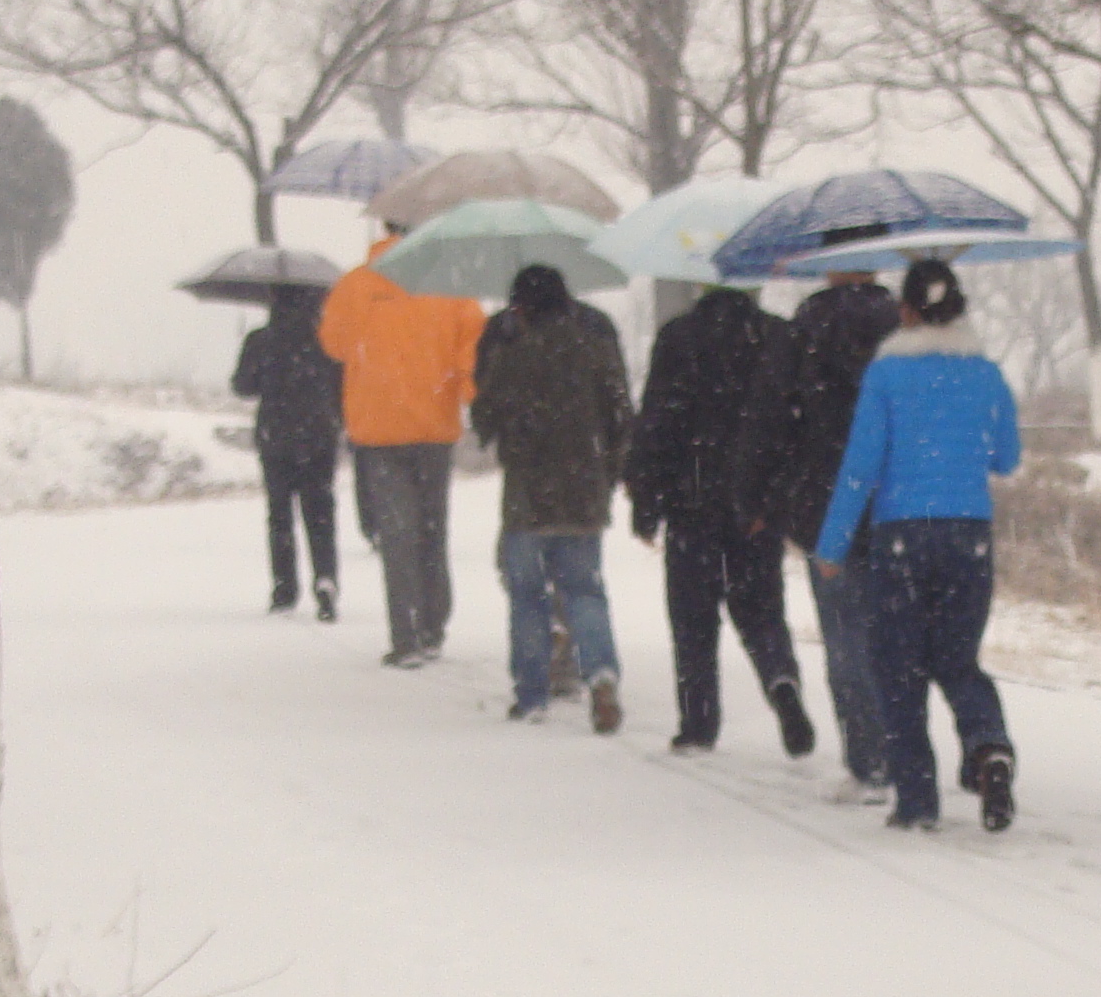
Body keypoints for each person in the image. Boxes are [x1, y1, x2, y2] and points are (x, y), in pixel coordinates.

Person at [813, 260, 1021, 832]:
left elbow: (861, 467)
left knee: (897, 667)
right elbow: (1007, 457)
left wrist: (831, 546)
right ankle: (988, 747)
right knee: (957, 660)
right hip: (968, 534)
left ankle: (917, 801)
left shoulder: (885, 377)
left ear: (904, 313)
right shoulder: (987, 375)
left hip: (901, 535)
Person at [627, 284, 818, 758]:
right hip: (753, 508)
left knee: (693, 618)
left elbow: (656, 422)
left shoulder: (679, 338)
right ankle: (780, 680)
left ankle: (698, 724)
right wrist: (774, 500)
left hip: (690, 502)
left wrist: (646, 500)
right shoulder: (776, 336)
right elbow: (793, 426)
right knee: (761, 610)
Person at [734, 260, 901, 792]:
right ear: (875, 264)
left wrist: (755, 495)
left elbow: (770, 418)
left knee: (845, 635)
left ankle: (868, 758)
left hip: (823, 502)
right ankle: (907, 750)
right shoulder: (905, 327)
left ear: (829, 268)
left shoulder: (802, 333)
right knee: (895, 633)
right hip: (901, 498)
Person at [471, 262, 635, 732]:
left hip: (528, 496)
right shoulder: (595, 342)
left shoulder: (511, 349)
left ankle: (531, 693)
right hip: (584, 492)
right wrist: (613, 471)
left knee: (527, 596)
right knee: (584, 590)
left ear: (521, 306)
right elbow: (621, 413)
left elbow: (484, 416)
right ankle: (601, 675)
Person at [318, 226, 484, 667]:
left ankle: (407, 635)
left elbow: (333, 344)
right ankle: (433, 626)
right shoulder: (452, 286)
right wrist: (477, 403)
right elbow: (472, 356)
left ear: (385, 228)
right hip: (434, 427)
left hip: (377, 429)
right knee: (433, 531)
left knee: (397, 535)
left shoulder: (356, 283)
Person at [230, 277, 345, 618]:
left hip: (275, 435)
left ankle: (284, 588)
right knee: (320, 511)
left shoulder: (261, 339)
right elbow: (342, 384)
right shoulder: (328, 338)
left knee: (280, 514)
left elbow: (242, 386)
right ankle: (325, 578)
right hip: (320, 434)